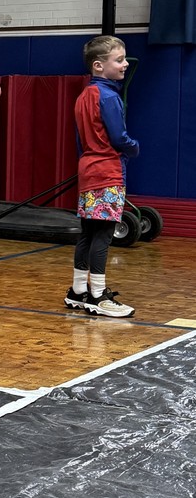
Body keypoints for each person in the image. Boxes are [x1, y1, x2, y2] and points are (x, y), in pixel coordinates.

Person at [63, 35, 139, 317]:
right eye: (119, 60)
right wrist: (134, 147)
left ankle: (78, 291)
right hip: (108, 171)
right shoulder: (108, 96)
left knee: (88, 232)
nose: (125, 64)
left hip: (88, 169)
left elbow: (79, 140)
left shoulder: (84, 96)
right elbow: (119, 137)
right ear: (98, 65)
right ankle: (98, 295)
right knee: (103, 235)